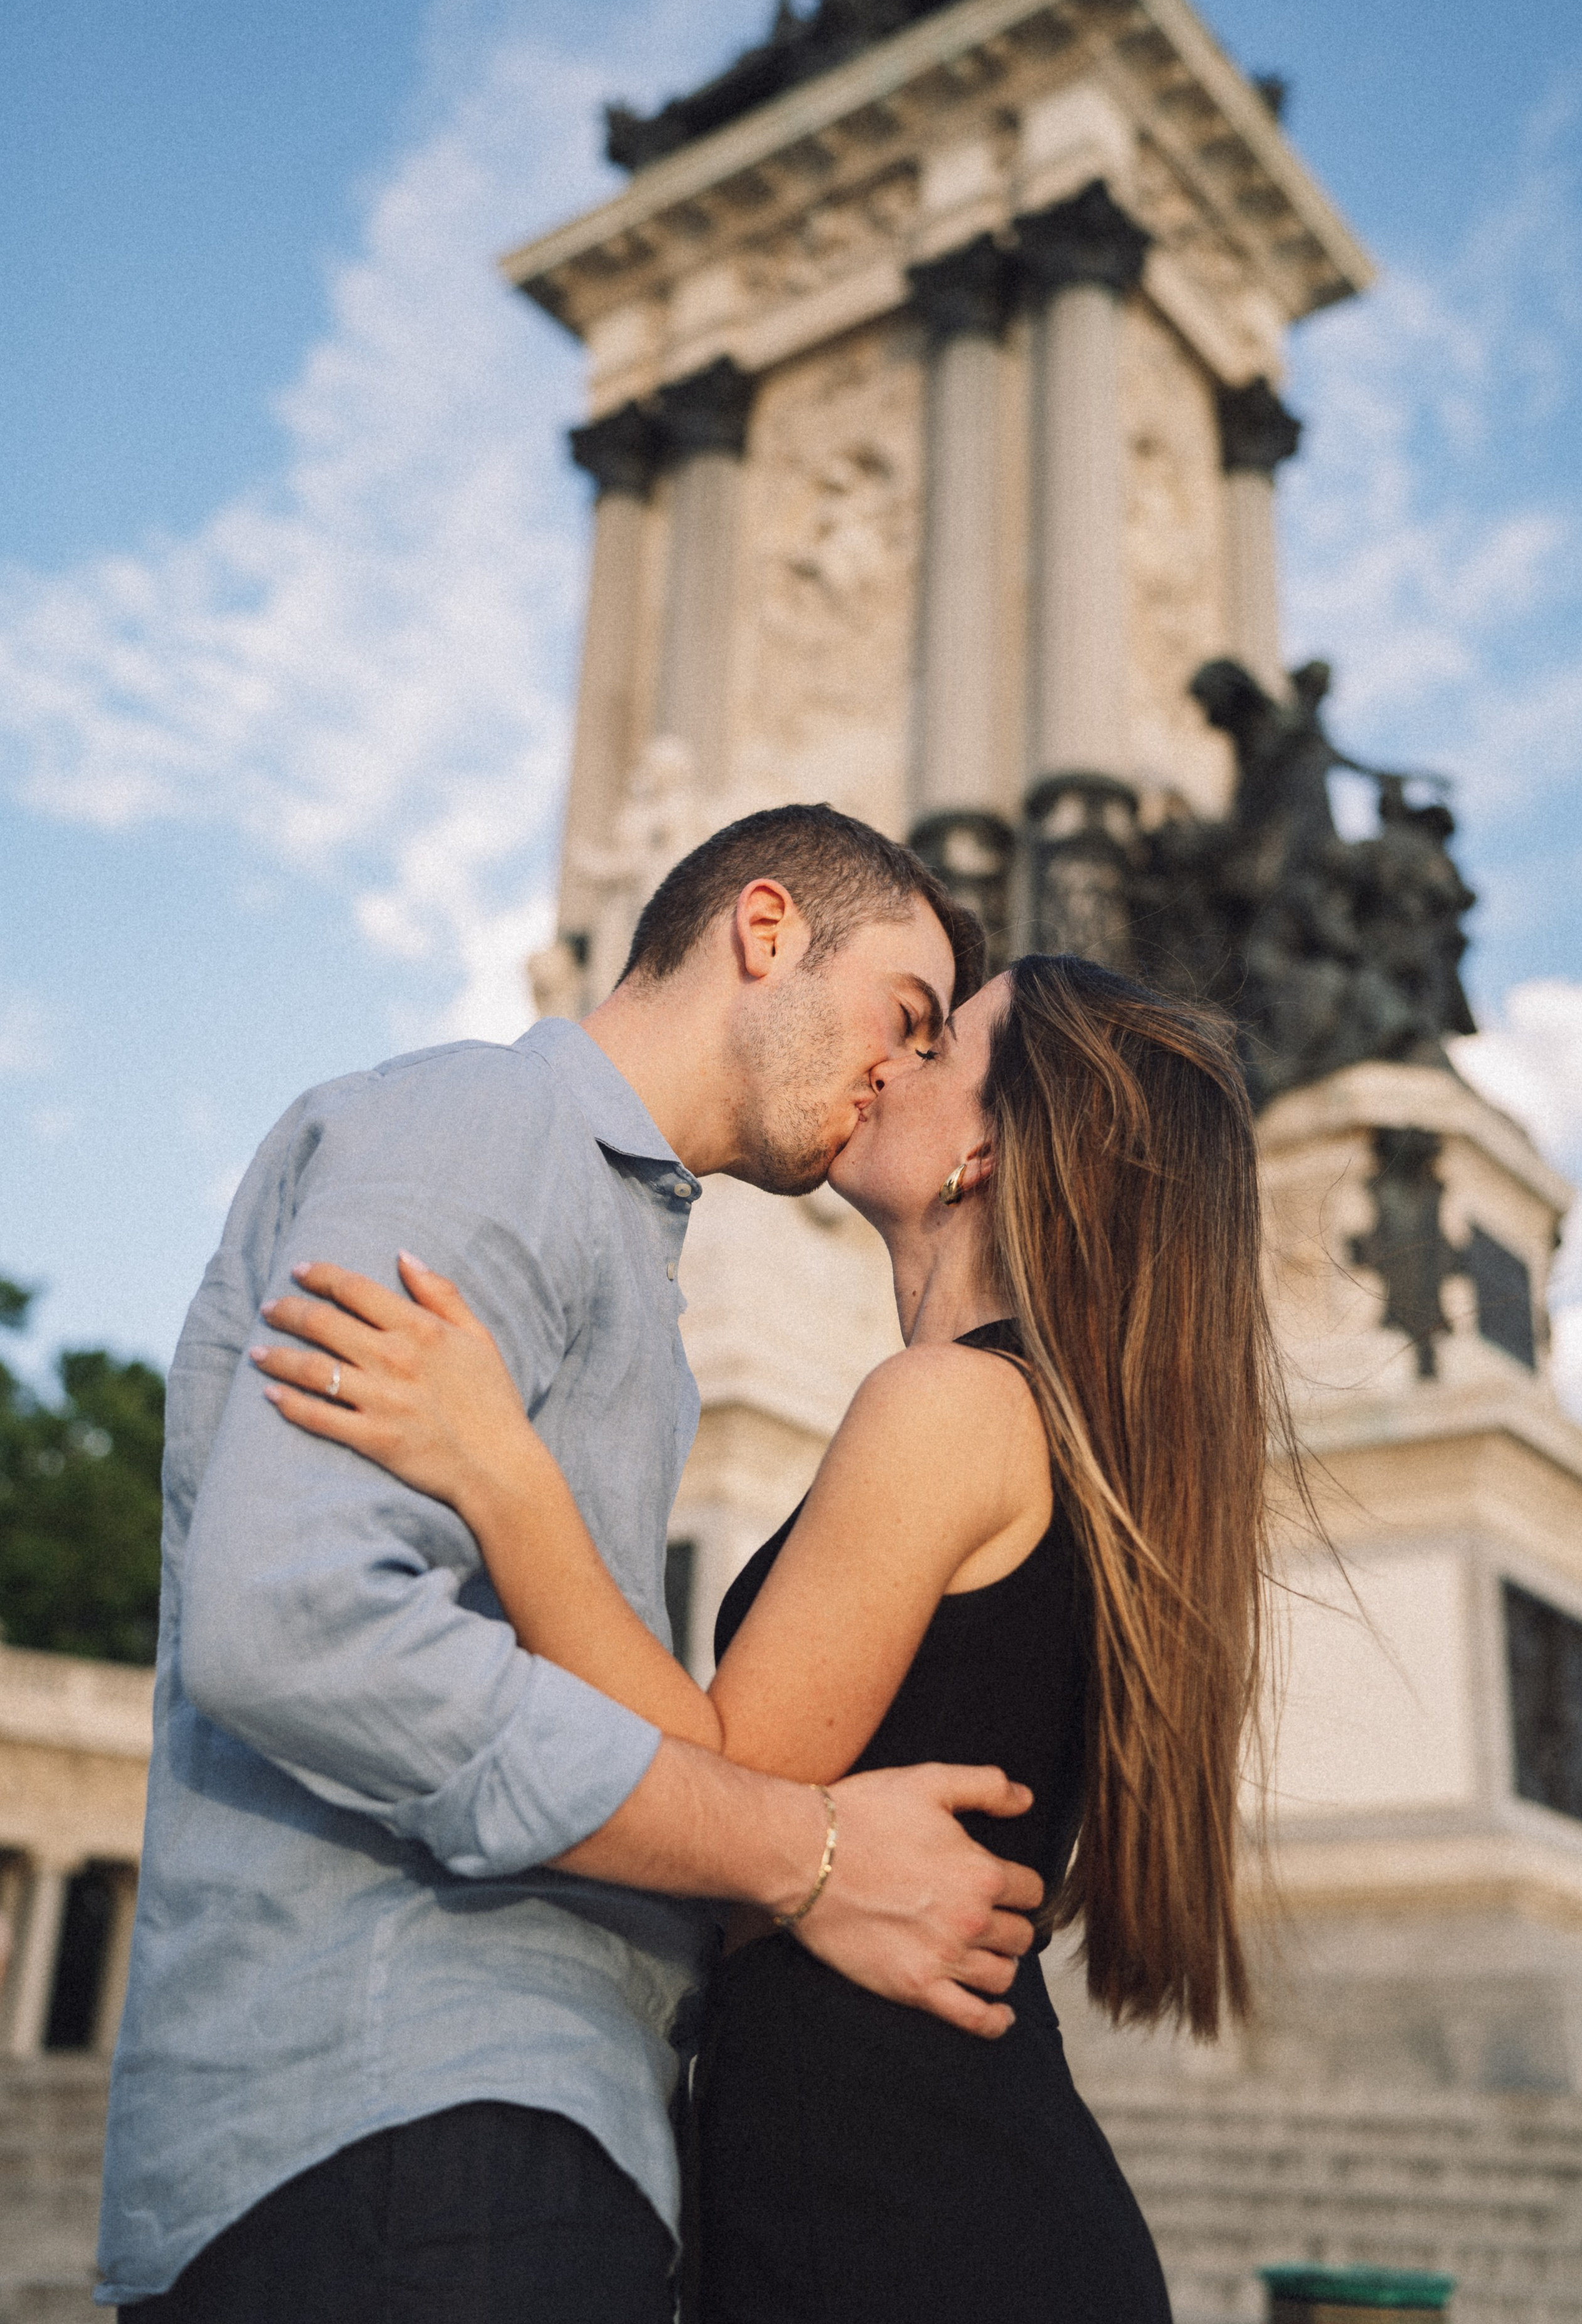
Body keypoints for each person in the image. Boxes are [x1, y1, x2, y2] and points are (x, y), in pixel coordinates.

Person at [99, 805, 1051, 2323]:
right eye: (905, 1013)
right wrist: (798, 1854)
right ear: (763, 932)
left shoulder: (628, 1273)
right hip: (416, 2125)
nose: (897, 1071)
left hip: (498, 2142)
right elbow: (298, 1625)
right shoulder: (487, 1124)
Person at [253, 949, 1280, 2323]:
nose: (890, 1063)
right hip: (915, 2192)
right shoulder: (1034, 1423)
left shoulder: (947, 1405)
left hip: (909, 2219)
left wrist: (499, 1470)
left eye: (939, 1045)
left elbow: (721, 1780)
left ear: (986, 1152)